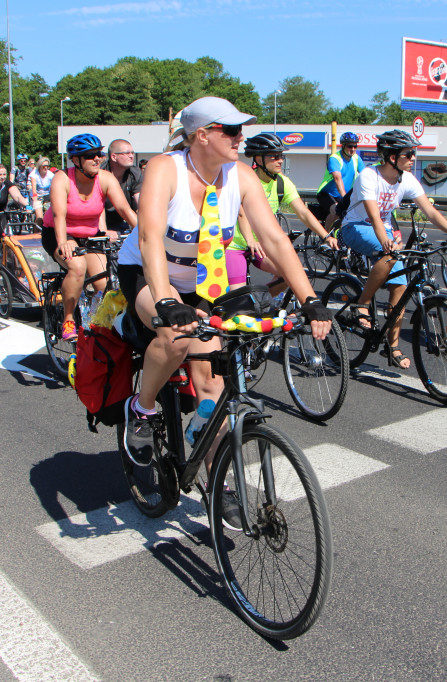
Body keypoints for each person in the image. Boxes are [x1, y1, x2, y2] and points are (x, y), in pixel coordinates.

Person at [115, 97, 332, 494]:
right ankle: (142, 410)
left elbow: (276, 241)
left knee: (214, 387)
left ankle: (220, 485)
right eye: (231, 131)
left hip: (199, 282)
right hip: (148, 273)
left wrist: (309, 299)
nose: (240, 137)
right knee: (175, 337)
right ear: (202, 135)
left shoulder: (240, 176)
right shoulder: (167, 170)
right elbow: (148, 238)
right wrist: (165, 300)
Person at [338, 130, 447, 369]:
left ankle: (393, 345)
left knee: (399, 287)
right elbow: (374, 216)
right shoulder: (368, 176)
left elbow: (430, 212)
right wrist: (386, 241)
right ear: (390, 157)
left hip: (383, 230)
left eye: (414, 154)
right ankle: (362, 304)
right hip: (355, 227)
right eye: (408, 154)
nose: (413, 158)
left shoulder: (406, 179)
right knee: (388, 255)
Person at [42, 133, 137, 341]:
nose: (97, 159)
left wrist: (146, 234)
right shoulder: (62, 178)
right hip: (60, 232)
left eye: (99, 154)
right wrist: (62, 243)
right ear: (76, 160)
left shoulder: (105, 179)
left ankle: (97, 325)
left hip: (90, 236)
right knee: (77, 267)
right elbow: (59, 215)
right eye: (90, 156)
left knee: (105, 284)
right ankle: (68, 318)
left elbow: (125, 209)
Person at [229, 132, 338, 287]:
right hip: (236, 245)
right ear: (259, 159)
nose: (280, 160)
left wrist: (326, 236)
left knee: (290, 275)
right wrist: (250, 240)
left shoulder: (282, 183)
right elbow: (242, 213)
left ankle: (259, 303)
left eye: (281, 156)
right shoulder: (247, 180)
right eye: (274, 156)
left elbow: (303, 212)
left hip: (262, 245)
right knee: (236, 298)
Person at [316, 132, 365, 227]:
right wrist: (345, 198)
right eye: (350, 146)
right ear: (343, 146)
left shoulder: (356, 158)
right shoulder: (335, 158)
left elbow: (365, 175)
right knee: (336, 211)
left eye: (355, 146)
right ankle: (325, 237)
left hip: (344, 195)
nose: (353, 149)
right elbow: (337, 179)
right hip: (327, 194)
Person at [102, 139, 142, 238]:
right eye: (127, 153)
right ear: (114, 157)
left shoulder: (135, 173)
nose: (131, 156)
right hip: (101, 222)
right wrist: (104, 231)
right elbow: (97, 206)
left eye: (132, 152)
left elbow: (141, 203)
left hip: (125, 221)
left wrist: (146, 230)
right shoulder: (100, 173)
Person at [29, 157, 54, 225]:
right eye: (44, 166)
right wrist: (35, 196)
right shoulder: (34, 174)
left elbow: (53, 188)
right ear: (40, 166)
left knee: (50, 217)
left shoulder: (50, 175)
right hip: (38, 196)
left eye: (47, 166)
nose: (46, 168)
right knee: (40, 218)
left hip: (47, 197)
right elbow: (34, 187)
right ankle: (36, 233)